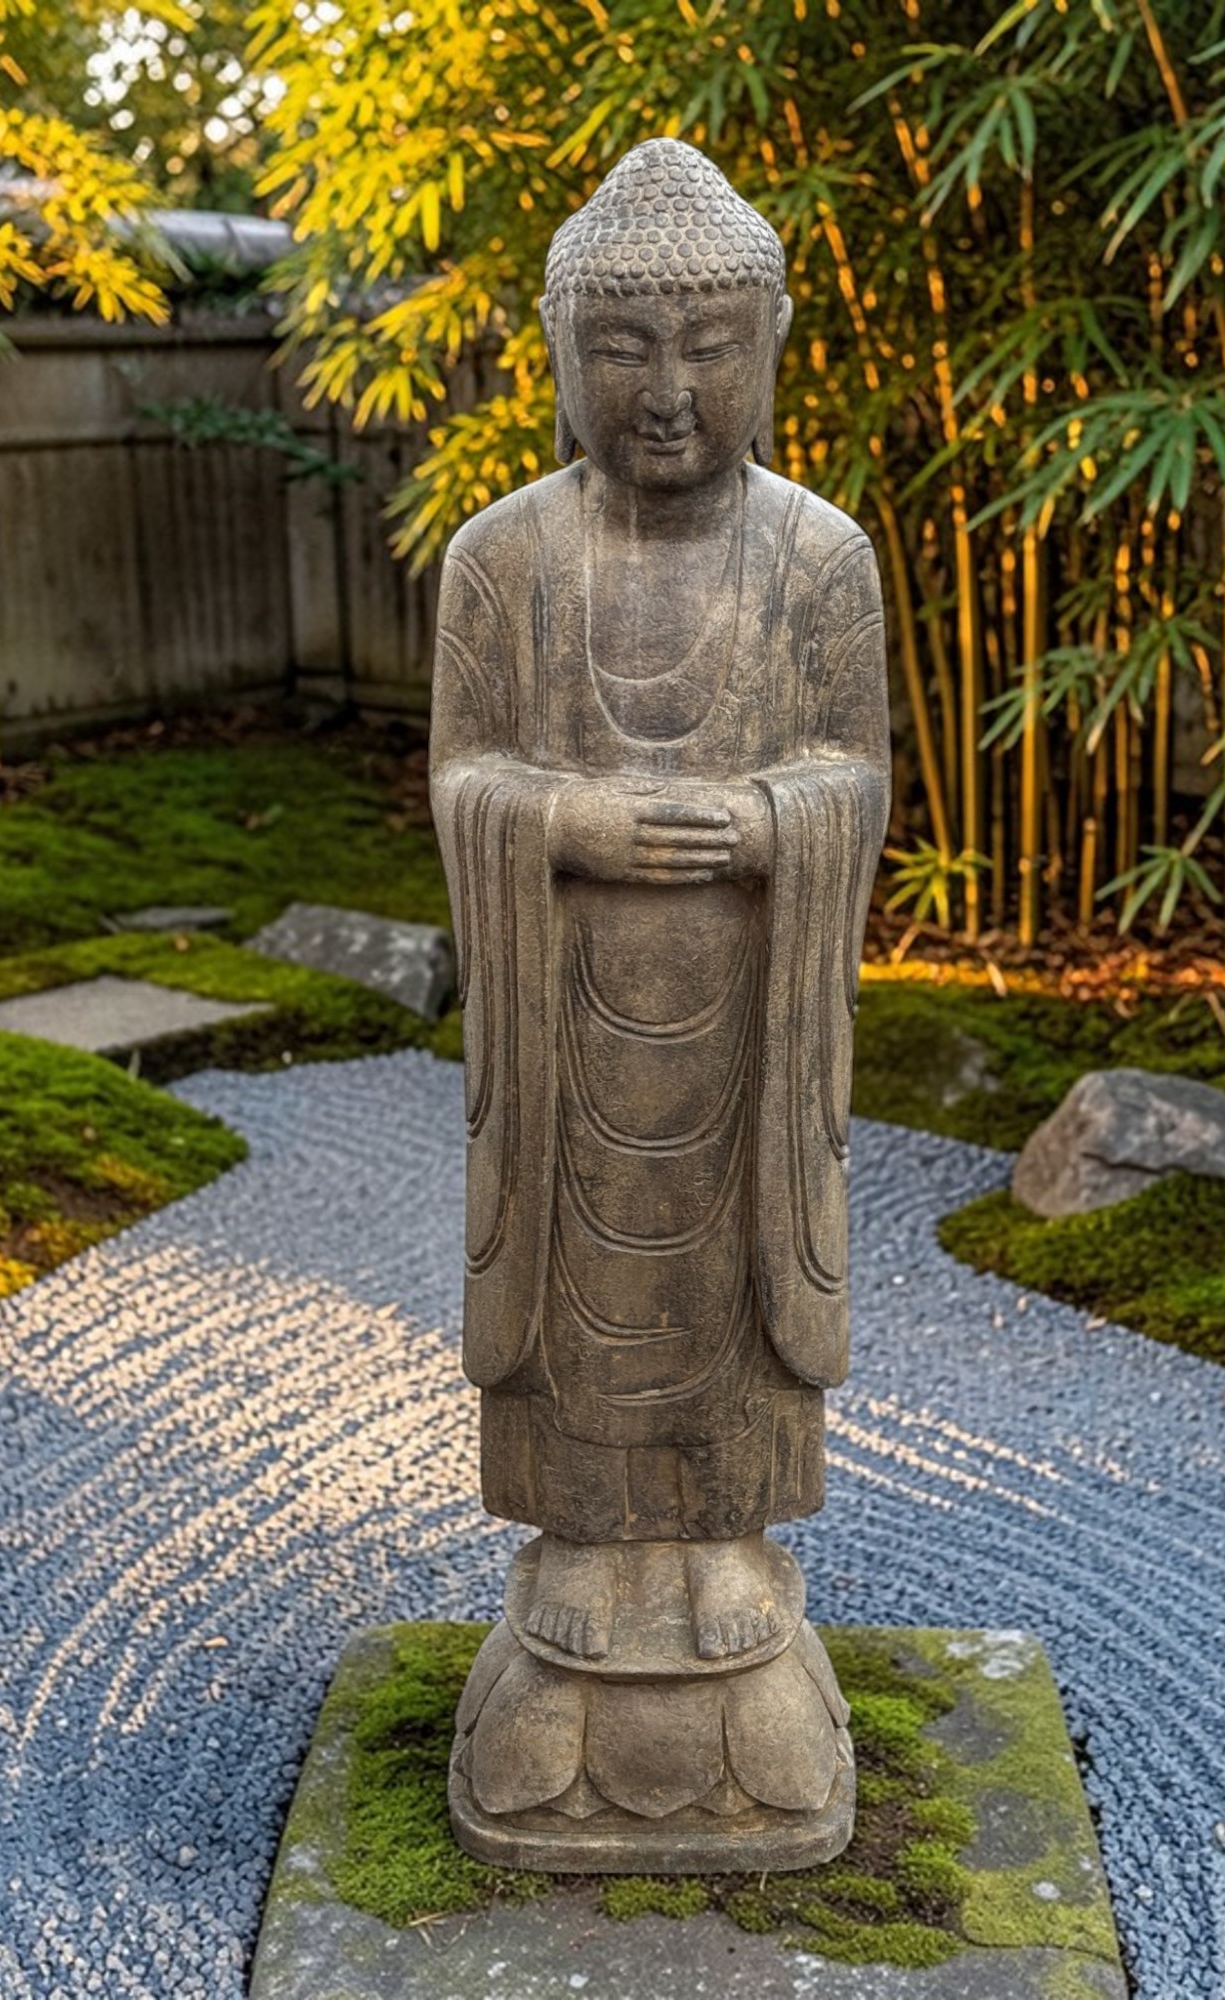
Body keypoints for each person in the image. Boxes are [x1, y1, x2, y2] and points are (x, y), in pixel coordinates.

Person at [430, 137, 889, 1669]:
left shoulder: (822, 558)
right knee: (579, 1261)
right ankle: (582, 1534)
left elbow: (857, 775)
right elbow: (462, 778)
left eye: (710, 346)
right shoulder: (501, 559)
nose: (670, 389)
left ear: (770, 345)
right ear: (561, 351)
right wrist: (568, 818)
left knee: (731, 1265)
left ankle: (727, 1535)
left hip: (751, 1012)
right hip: (565, 1013)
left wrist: (773, 825)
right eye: (623, 346)